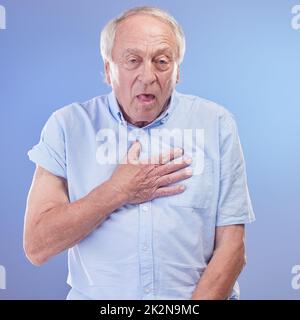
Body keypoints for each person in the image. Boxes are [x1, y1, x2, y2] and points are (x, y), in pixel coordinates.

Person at [23, 6, 255, 300]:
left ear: (178, 71)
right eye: (133, 61)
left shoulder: (217, 123)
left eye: (161, 61)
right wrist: (118, 190)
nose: (148, 76)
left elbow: (233, 249)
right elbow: (38, 245)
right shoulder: (67, 125)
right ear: (108, 70)